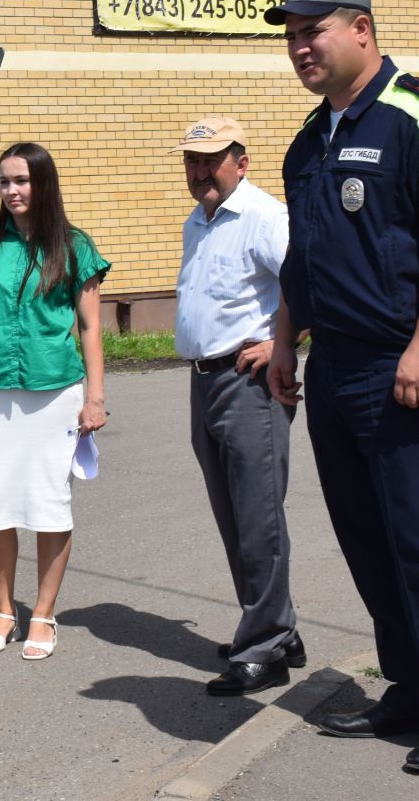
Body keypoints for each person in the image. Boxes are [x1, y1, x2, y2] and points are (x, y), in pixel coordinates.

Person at [264, 0, 419, 774]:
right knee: (369, 541)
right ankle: (408, 687)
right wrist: (282, 339)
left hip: (411, 367)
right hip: (335, 366)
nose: (300, 46)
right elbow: (306, 256)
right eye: (291, 36)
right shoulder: (312, 137)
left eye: (313, 31)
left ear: (360, 28)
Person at [0, 142, 110, 661]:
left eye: (21, 180)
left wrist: (96, 397)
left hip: (55, 393)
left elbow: (90, 328)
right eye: (3, 181)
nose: (11, 191)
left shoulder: (75, 246)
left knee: (47, 503)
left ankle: (43, 612)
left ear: (42, 184)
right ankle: (3, 610)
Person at [172, 116, 304, 696]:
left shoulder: (264, 217)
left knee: (258, 518)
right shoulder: (197, 223)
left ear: (241, 163)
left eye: (213, 160)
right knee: (234, 517)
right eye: (193, 161)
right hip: (205, 380)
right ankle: (276, 627)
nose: (201, 170)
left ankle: (265, 647)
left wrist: (283, 343)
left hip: (249, 383)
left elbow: (309, 281)